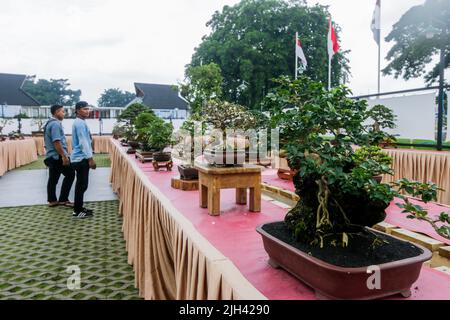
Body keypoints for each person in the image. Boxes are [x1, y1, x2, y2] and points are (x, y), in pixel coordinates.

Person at [44, 104, 75, 208]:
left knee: (53, 178)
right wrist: (64, 156)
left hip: (51, 156)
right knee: (70, 174)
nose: (64, 113)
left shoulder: (49, 123)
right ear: (57, 112)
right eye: (62, 111)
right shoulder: (56, 124)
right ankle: (63, 199)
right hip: (57, 156)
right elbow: (57, 142)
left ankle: (52, 200)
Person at [71, 101, 96, 219]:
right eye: (85, 109)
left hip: (80, 158)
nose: (87, 111)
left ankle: (79, 208)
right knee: (81, 185)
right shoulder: (80, 123)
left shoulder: (80, 122)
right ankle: (77, 211)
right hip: (81, 159)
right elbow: (83, 142)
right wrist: (90, 159)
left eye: (88, 109)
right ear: (77, 110)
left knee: (82, 185)